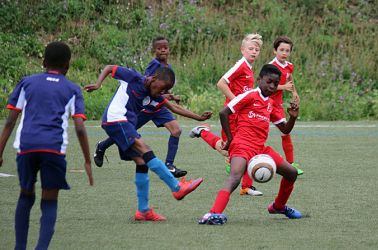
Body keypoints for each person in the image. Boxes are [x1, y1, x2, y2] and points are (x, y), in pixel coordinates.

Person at [84, 64, 210, 221]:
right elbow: (110, 68)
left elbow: (174, 108)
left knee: (142, 161)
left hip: (125, 123)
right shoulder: (134, 77)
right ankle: (176, 187)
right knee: (145, 149)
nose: (162, 93)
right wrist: (97, 84)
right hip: (115, 118)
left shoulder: (156, 96)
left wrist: (199, 117)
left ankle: (143, 211)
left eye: (166, 91)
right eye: (162, 88)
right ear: (154, 79)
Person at [0, 42, 94, 249]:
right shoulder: (72, 89)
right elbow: (79, 127)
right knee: (49, 201)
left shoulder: (27, 83)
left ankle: (19, 247)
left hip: (27, 147)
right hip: (53, 149)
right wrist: (87, 160)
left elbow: (9, 121)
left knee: (25, 195)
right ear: (67, 65)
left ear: (43, 62)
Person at [198, 64, 302, 225]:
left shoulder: (271, 104)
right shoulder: (250, 95)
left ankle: (278, 206)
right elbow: (224, 112)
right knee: (235, 177)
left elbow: (285, 129)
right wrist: (231, 138)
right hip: (242, 145)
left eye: (276, 83)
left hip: (261, 149)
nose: (273, 86)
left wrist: (293, 117)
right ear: (259, 80)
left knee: (292, 173)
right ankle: (212, 214)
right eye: (269, 82)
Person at [93, 37, 187, 178]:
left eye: (165, 47)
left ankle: (169, 165)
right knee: (128, 132)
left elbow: (162, 91)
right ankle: (103, 146)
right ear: (154, 50)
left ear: (169, 49)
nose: (162, 50)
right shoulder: (154, 65)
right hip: (146, 106)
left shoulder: (169, 69)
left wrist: (171, 96)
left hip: (159, 106)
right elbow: (148, 86)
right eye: (159, 48)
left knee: (176, 130)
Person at [189, 33, 263, 196]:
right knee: (228, 149)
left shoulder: (249, 68)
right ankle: (203, 132)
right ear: (242, 49)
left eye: (257, 49)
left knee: (244, 147)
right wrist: (236, 102)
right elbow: (221, 83)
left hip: (240, 115)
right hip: (231, 115)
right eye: (250, 48)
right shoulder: (241, 66)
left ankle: (246, 187)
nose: (254, 52)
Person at [269, 36, 303, 175]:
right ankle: (236, 160)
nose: (284, 53)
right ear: (275, 51)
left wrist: (294, 92)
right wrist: (284, 87)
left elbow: (289, 77)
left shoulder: (289, 65)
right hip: (264, 104)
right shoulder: (271, 67)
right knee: (257, 134)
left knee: (285, 133)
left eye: (287, 50)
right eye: (281, 50)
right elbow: (266, 87)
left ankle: (291, 164)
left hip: (277, 105)